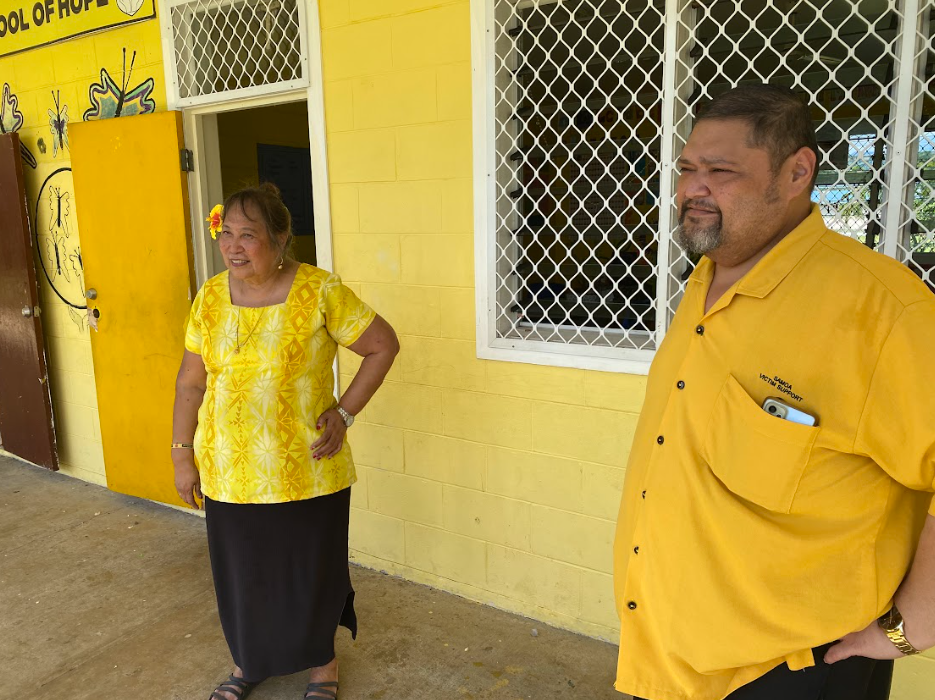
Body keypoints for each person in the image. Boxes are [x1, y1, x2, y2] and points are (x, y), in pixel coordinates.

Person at [613, 84, 935, 700]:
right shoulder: (704, 283)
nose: (691, 189)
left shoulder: (882, 312)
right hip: (672, 652)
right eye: (686, 169)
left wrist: (913, 625)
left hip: (791, 670)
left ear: (797, 173)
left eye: (720, 171)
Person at [171, 183, 399, 700]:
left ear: (279, 238)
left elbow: (382, 345)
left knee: (308, 575)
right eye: (225, 232)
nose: (232, 246)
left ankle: (323, 667)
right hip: (229, 470)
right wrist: (182, 453)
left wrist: (344, 412)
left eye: (247, 235)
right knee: (243, 575)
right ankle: (247, 663)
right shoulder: (209, 297)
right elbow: (190, 380)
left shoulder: (320, 291)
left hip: (306, 468)